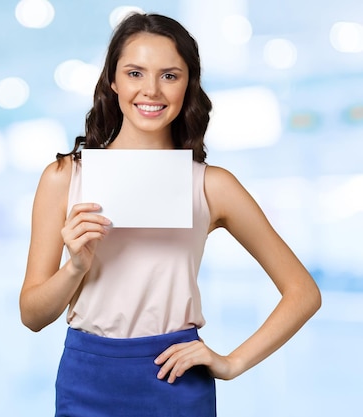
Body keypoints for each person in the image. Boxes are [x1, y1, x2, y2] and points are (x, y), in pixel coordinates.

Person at [19, 12, 321, 417]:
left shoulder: (212, 186)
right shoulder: (63, 178)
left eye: (169, 75)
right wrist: (75, 267)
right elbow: (32, 316)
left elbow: (303, 292)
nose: (151, 91)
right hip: (87, 378)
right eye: (135, 73)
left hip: (175, 378)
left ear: (187, 85)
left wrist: (232, 363)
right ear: (113, 81)